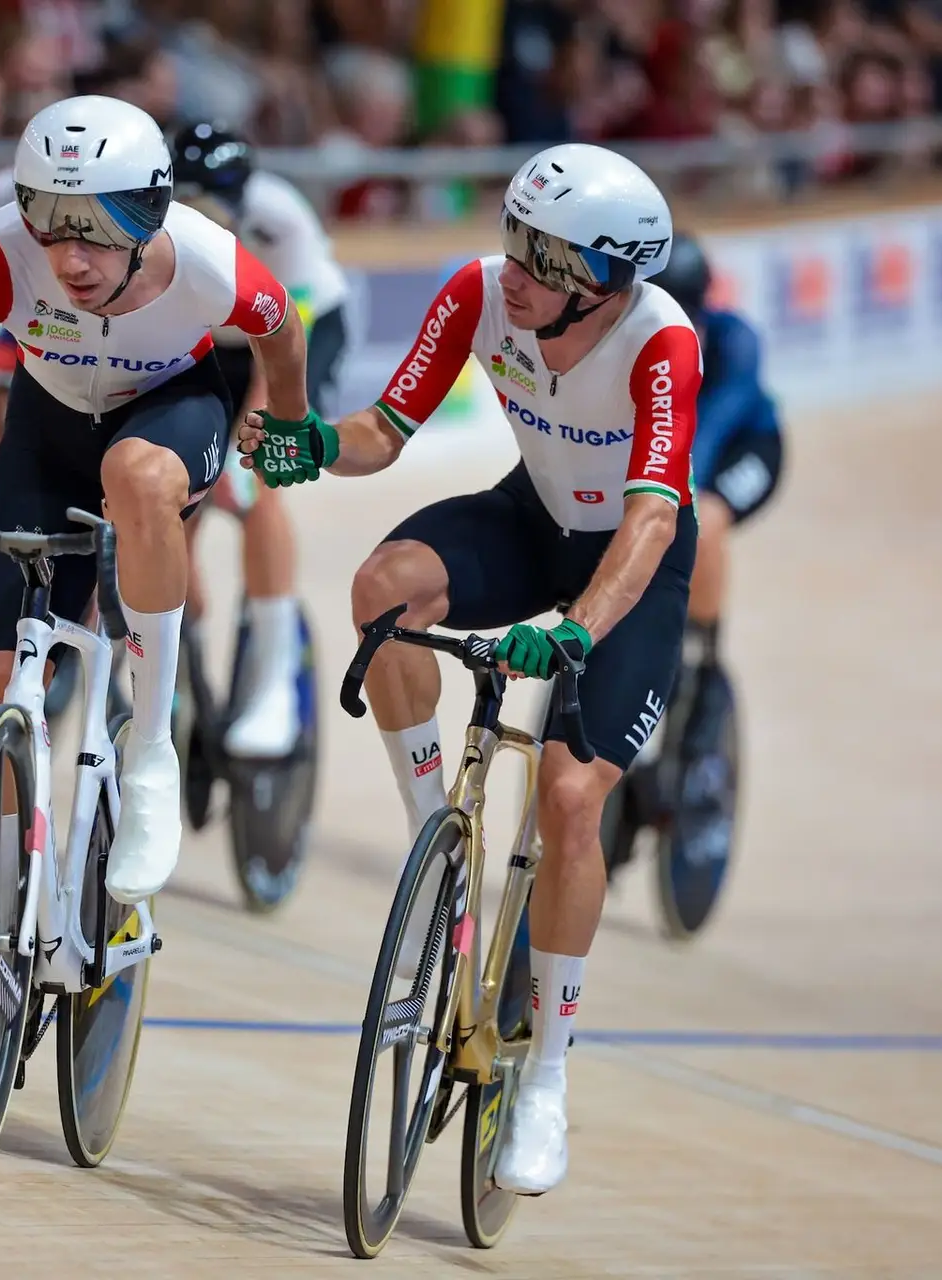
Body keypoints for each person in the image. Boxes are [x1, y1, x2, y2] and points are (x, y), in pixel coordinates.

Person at [236, 144, 698, 1196]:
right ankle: (435, 844)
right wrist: (311, 444)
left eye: (546, 254)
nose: (516, 266)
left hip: (631, 567)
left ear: (606, 281)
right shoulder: (478, 293)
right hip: (532, 522)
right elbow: (384, 431)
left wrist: (576, 630)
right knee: (383, 584)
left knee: (573, 796)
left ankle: (544, 1082)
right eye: (515, 238)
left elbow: (654, 514)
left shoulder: (659, 341)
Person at [0, 96, 313, 906]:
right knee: (2, 681)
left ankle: (151, 751)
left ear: (149, 213)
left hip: (172, 409)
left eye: (97, 229)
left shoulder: (207, 258)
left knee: (138, 477)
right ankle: (4, 918)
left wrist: (284, 423)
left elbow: (285, 332)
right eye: (48, 222)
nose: (70, 259)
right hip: (48, 438)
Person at [166, 119, 353, 759]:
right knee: (173, 496)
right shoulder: (148, 218)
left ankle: (273, 676)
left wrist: (246, 455)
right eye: (187, 206)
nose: (201, 218)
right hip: (209, 345)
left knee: (257, 479)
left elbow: (283, 355)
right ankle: (183, 648)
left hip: (295, 336)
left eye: (213, 207)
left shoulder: (281, 219)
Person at [642, 232, 782, 838]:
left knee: (708, 517)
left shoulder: (736, 343)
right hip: (680, 453)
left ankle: (700, 653)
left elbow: (710, 433)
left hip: (744, 450)